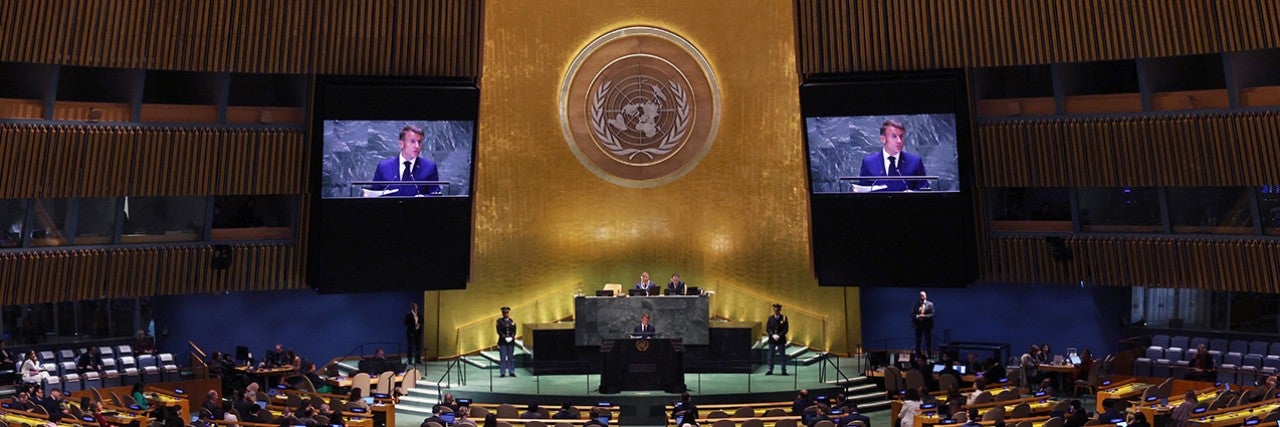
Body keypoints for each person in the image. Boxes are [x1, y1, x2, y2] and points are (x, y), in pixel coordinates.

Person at [368, 125, 440, 197]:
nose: (417, 146)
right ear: (401, 144)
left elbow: (435, 195)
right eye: (412, 141)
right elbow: (374, 194)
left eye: (419, 142)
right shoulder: (384, 167)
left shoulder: (429, 167)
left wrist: (424, 198)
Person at [858, 119, 928, 192]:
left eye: (901, 136)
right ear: (883, 139)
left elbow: (924, 190)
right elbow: (862, 190)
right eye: (894, 136)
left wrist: (912, 193)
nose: (899, 141)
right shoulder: (869, 162)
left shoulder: (915, 162)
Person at [766, 303, 790, 375]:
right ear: (774, 310)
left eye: (778, 310)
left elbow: (786, 328)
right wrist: (772, 334)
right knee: (771, 355)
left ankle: (783, 370)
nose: (776, 311)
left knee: (782, 355)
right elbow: (768, 328)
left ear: (780, 310)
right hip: (772, 339)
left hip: (781, 339)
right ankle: (770, 370)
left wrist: (780, 335)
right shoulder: (770, 318)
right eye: (775, 310)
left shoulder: (784, 318)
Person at [911, 291, 935, 358]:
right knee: (918, 341)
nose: (922, 297)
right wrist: (918, 316)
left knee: (928, 341)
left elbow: (932, 314)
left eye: (923, 295)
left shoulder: (930, 304)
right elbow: (912, 314)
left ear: (926, 296)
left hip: (927, 325)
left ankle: (929, 356)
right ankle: (918, 357)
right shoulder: (916, 304)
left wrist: (924, 316)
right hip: (918, 325)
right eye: (920, 295)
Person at [496, 306, 517, 378]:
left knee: (511, 357)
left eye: (507, 312)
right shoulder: (499, 321)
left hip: (511, 342)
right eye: (504, 313)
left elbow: (514, 331)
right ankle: (502, 372)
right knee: (503, 357)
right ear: (502, 313)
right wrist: (504, 337)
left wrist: (512, 337)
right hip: (502, 342)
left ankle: (512, 372)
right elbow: (499, 331)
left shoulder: (512, 321)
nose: (505, 314)